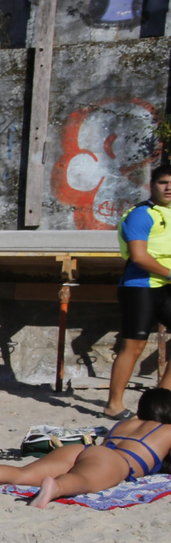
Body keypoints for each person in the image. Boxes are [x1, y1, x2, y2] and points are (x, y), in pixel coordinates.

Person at [0, 388, 171, 508]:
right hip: (116, 461)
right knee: (85, 481)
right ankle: (56, 487)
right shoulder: (167, 431)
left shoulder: (125, 423)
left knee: (24, 473)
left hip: (81, 449)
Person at [104, 163, 171, 418]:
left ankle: (163, 398)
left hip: (164, 285)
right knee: (133, 346)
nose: (168, 187)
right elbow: (139, 256)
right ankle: (113, 405)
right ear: (152, 185)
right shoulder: (142, 214)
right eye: (163, 182)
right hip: (140, 286)